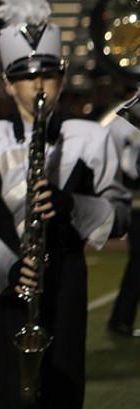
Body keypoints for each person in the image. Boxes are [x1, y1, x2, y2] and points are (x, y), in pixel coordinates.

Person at [0, 0, 130, 409]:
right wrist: (9, 270)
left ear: (61, 77)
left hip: (67, 282)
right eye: (27, 76)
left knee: (63, 387)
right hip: (7, 285)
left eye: (48, 75)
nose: (39, 85)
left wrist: (68, 205)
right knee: (8, 393)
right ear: (9, 84)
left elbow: (118, 218)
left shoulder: (90, 136)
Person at [104, 94, 140, 337]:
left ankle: (121, 318)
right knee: (138, 262)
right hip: (135, 201)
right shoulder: (121, 123)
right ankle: (120, 319)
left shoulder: (118, 122)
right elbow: (123, 167)